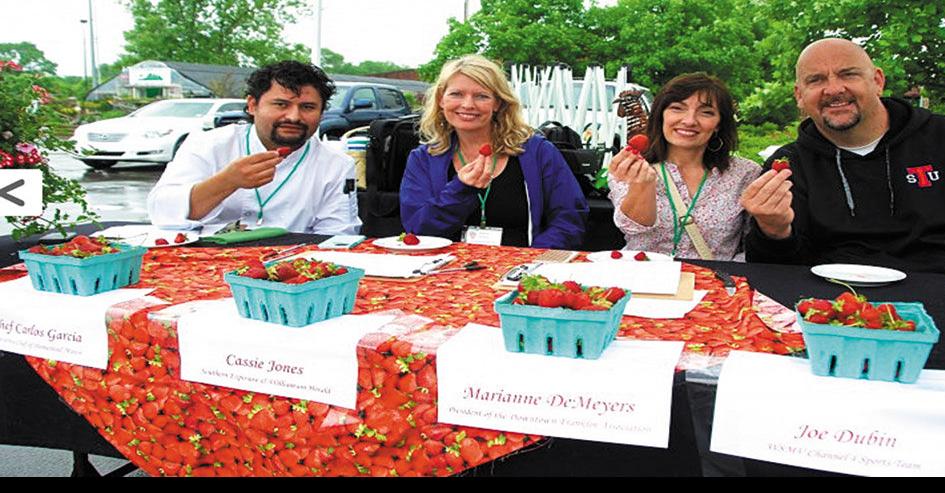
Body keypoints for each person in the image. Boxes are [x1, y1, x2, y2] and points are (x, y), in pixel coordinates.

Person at [741, 38, 945, 275]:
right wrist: (773, 231)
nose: (833, 89)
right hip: (847, 312)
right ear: (799, 95)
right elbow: (777, 273)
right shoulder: (789, 166)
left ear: (878, 80)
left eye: (848, 74)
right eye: (816, 80)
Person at [147, 61, 360, 235]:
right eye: (281, 104)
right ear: (252, 105)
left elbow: (338, 236)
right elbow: (162, 213)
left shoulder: (336, 164)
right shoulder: (208, 145)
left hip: (291, 267)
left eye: (307, 107)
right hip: (202, 262)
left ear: (321, 113)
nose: (294, 117)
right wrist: (227, 181)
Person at [399, 55, 588, 249]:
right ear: (441, 100)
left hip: (521, 271)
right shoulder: (423, 158)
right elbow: (418, 231)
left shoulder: (538, 152)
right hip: (445, 273)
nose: (468, 104)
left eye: (481, 96)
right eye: (456, 94)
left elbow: (569, 220)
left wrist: (529, 262)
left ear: (498, 103)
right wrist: (460, 190)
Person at [607, 73, 761, 260]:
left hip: (714, 284)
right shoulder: (632, 165)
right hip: (645, 282)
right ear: (661, 115)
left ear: (719, 124)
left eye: (706, 112)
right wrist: (643, 185)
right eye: (677, 108)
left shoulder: (745, 173)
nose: (689, 120)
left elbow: (755, 245)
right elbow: (633, 226)